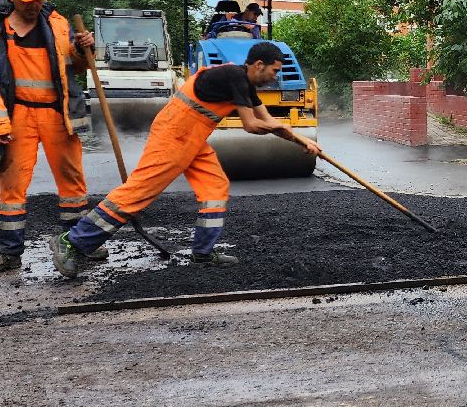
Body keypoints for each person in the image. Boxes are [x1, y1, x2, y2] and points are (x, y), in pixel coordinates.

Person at [50, 41, 324, 277]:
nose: (276, 76)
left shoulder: (246, 85)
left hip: (193, 139)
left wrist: (303, 141)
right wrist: (284, 130)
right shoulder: (234, 76)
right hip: (174, 134)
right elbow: (252, 125)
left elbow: (268, 120)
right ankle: (72, 241)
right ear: (260, 64)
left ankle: (203, 252)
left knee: (215, 188)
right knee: (137, 193)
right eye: (275, 70)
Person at [0, 0, 95, 274]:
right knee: (12, 186)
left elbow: (76, 65)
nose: (34, 6)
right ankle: (8, 253)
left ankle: (80, 241)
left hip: (57, 115)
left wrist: (83, 48)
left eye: (39, 0)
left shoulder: (58, 26)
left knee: (73, 183)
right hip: (18, 115)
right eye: (28, 1)